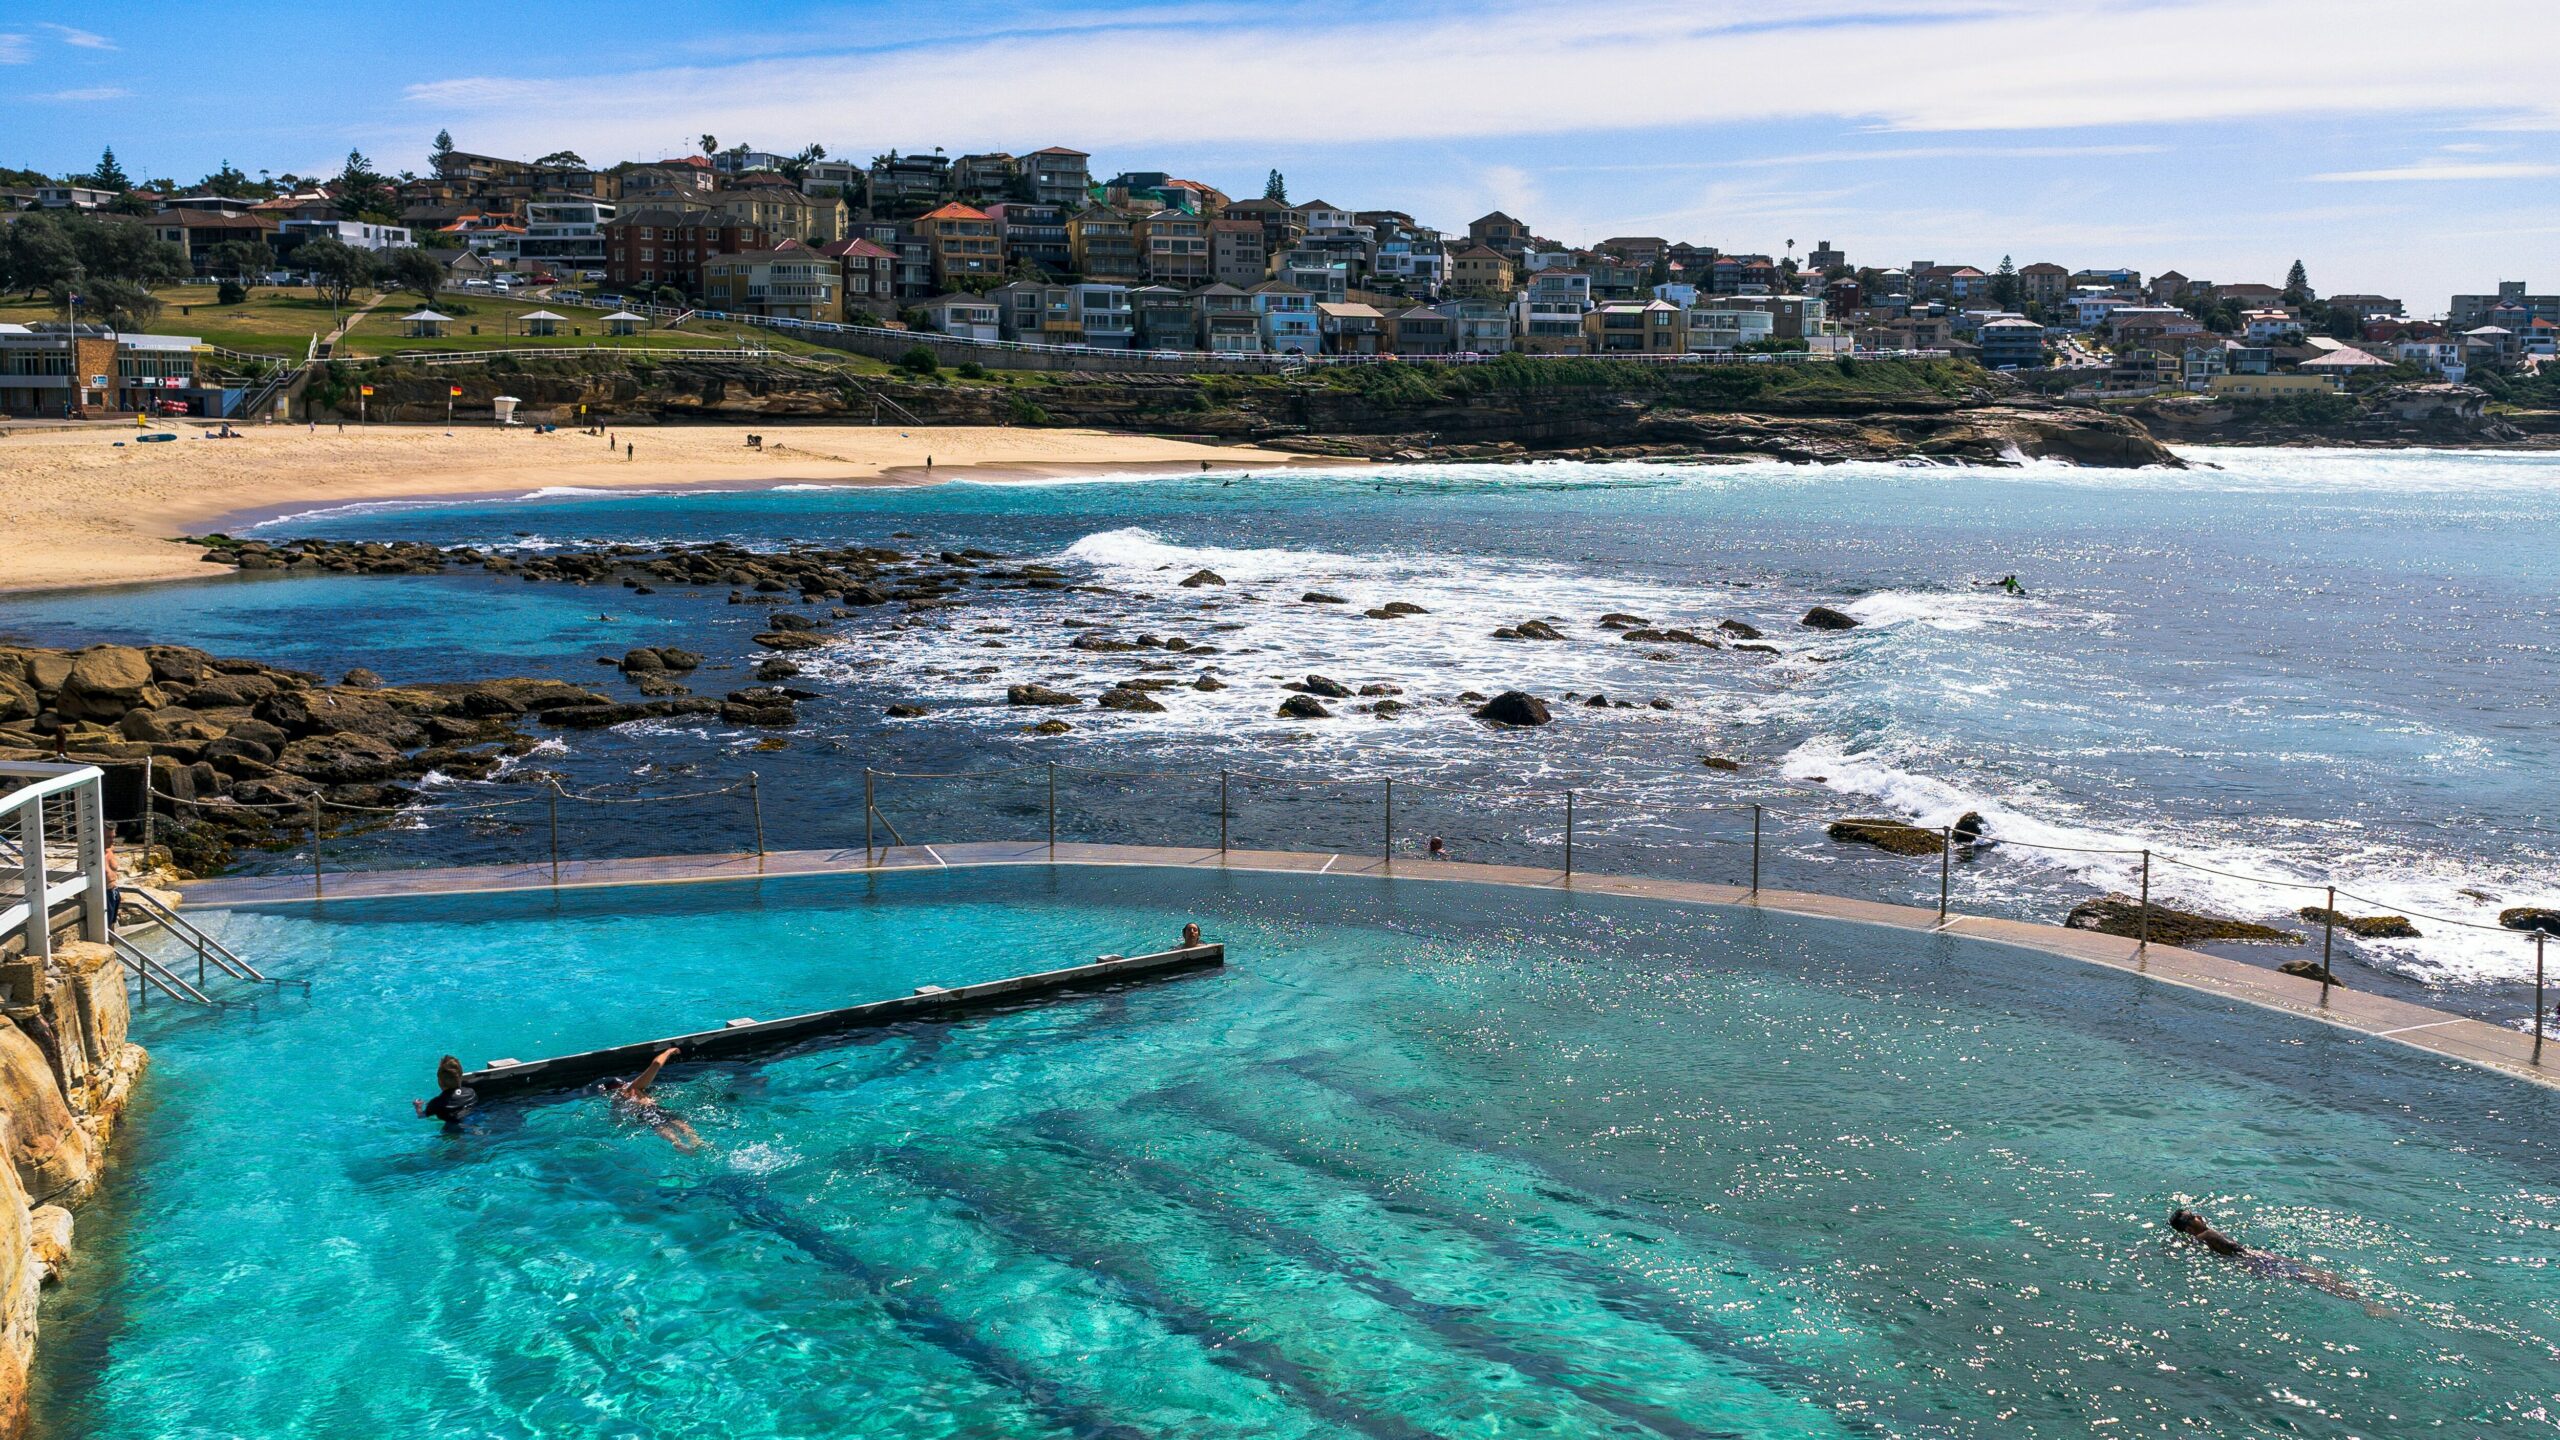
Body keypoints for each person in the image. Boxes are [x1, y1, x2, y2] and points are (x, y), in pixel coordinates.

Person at [2169, 1207, 2383, 1310]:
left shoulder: (2197, 1241)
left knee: (2309, 1278)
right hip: (2257, 1260)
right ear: (2190, 1226)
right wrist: (2257, 1254)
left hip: (2250, 1265)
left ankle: (2357, 1299)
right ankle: (2365, 1303)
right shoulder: (2207, 1234)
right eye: (2194, 1216)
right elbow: (2234, 1248)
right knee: (2313, 1276)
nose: (2199, 1216)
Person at [603, 1046, 703, 1150]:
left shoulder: (615, 1100)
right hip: (653, 1109)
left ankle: (678, 1144)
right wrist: (668, 1052)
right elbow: (655, 1064)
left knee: (662, 1128)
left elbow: (617, 1120)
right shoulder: (633, 1087)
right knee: (681, 1125)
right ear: (622, 1084)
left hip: (643, 1115)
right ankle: (698, 1142)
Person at [413, 1055, 477, 1129]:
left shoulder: (436, 1103)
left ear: (439, 1082)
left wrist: (418, 1107)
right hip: (473, 1121)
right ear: (461, 1076)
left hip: (453, 1128)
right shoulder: (471, 1093)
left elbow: (421, 1116)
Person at [101, 839, 123, 931]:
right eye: (108, 837)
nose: (112, 840)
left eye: (113, 836)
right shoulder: (92, 855)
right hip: (104, 893)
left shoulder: (110, 849)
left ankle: (111, 945)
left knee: (112, 925)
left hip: (114, 892)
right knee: (106, 926)